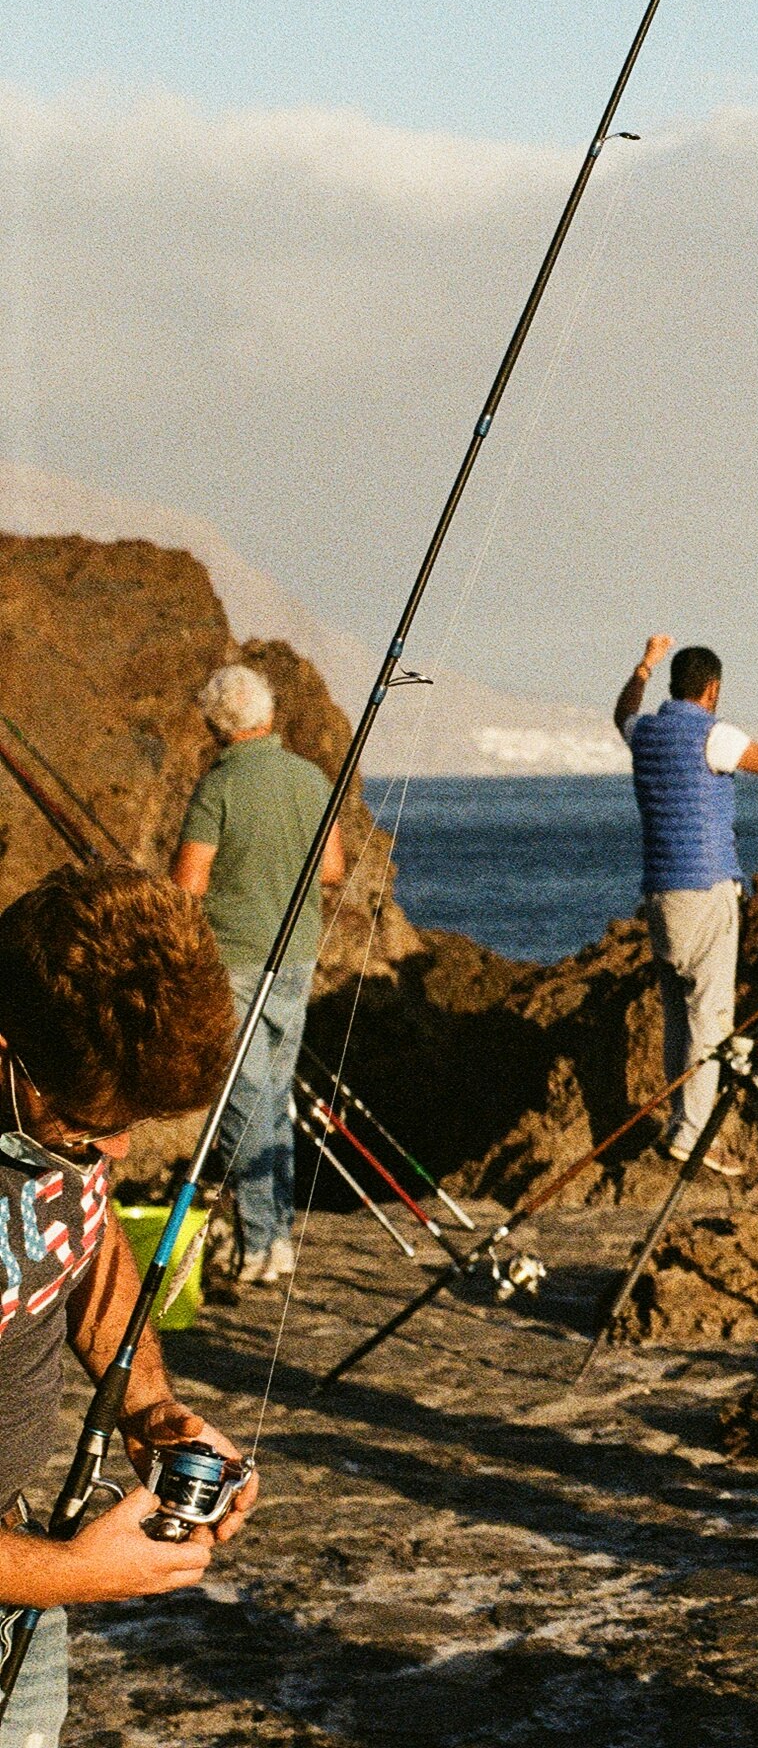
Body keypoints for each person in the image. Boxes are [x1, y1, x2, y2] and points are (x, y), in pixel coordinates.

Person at [0, 865, 263, 1748]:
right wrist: (76, 1572)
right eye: (92, 1121)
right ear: (8, 1053)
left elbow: (86, 1241)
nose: (112, 1147)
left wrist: (149, 1406)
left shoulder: (59, 1117)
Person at [168, 664, 344, 1289]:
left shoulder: (217, 787)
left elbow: (187, 886)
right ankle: (275, 1241)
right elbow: (331, 869)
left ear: (216, 723)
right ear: (267, 713)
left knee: (244, 1100)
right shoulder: (310, 778)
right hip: (296, 956)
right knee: (271, 1094)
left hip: (234, 960)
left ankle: (265, 1241)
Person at [610, 636, 758, 1173]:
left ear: (675, 684)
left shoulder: (646, 732)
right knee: (710, 1015)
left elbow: (623, 711)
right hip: (705, 889)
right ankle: (692, 1134)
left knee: (680, 1016)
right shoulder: (712, 735)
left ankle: (683, 1119)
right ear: (713, 688)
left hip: (659, 894)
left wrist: (645, 663)